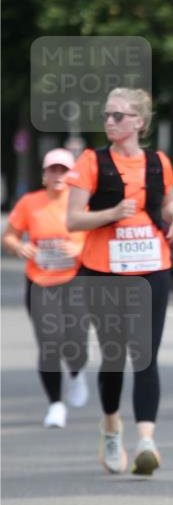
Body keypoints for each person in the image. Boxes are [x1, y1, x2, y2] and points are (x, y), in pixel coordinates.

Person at [66, 88, 173, 476]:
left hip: (153, 266)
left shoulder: (159, 162)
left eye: (118, 115)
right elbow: (72, 220)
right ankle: (110, 425)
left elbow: (166, 203)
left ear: (139, 122)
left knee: (146, 354)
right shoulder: (91, 162)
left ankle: (147, 442)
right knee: (115, 355)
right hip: (103, 271)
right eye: (106, 115)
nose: (109, 122)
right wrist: (112, 213)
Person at [3, 149, 88, 428]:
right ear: (44, 175)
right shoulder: (31, 203)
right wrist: (20, 246)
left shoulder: (82, 203)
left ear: (72, 175)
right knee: (50, 342)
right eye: (52, 170)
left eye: (63, 170)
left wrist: (77, 247)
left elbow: (98, 236)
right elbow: (10, 236)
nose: (58, 176)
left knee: (74, 339)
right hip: (40, 281)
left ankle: (75, 373)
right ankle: (55, 404)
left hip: (75, 278)